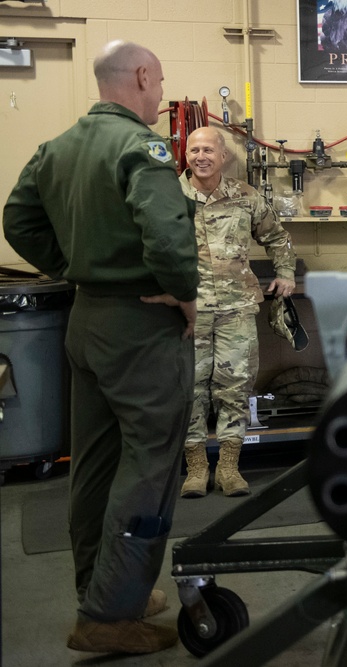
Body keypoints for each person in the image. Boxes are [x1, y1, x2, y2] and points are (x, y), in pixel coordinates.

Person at [3, 40, 199, 653]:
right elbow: (168, 240)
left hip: (85, 320)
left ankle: (105, 587)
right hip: (141, 328)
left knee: (93, 466)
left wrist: (74, 266)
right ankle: (111, 615)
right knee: (149, 467)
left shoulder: (58, 147)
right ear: (141, 74)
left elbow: (18, 220)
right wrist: (184, 292)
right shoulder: (142, 148)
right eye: (160, 80)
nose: (162, 94)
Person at [178, 126, 297, 498]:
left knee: (234, 387)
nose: (201, 156)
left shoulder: (245, 197)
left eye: (208, 150)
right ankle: (196, 470)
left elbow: (277, 236)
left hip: (237, 309)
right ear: (185, 155)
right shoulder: (168, 198)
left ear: (223, 156)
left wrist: (286, 273)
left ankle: (229, 468)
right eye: (194, 150)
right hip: (187, 311)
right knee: (189, 389)